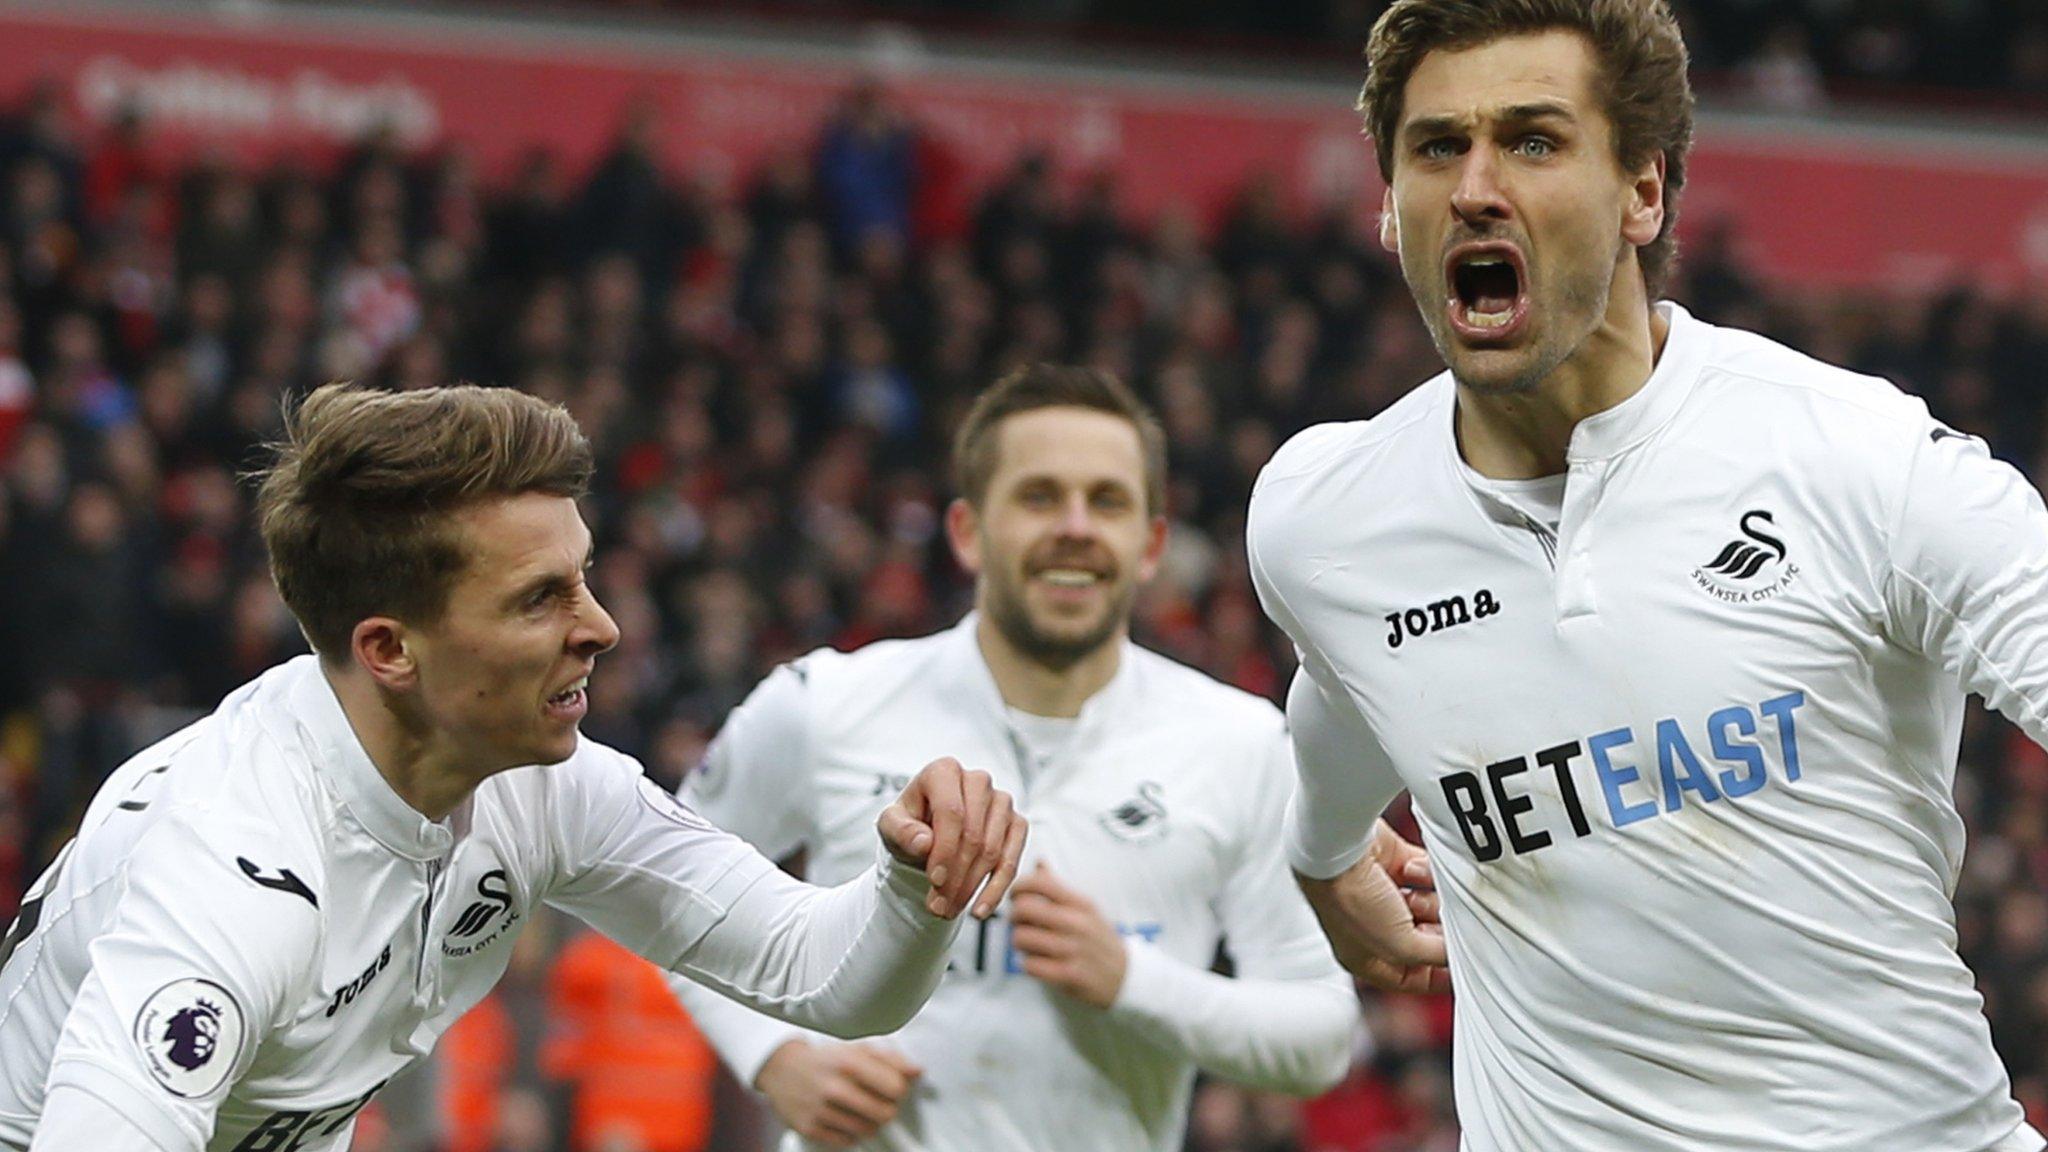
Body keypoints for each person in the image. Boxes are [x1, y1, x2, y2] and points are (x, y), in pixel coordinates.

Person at [1245, 1, 2048, 1149]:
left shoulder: (1855, 460)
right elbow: (1348, 686)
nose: (1475, 186)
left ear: (1642, 192)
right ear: (1387, 207)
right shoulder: (1319, 517)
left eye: (1531, 140)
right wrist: (1318, 855)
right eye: (1435, 147)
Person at [0, 383, 1027, 1152]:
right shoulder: (238, 869)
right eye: (540, 599)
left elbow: (816, 973)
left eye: (582, 579)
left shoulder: (543, 786)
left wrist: (910, 882)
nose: (603, 627)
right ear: (390, 651)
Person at [666, 363, 1367, 1151]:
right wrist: (776, 1057)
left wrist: (1133, 980)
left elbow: (1320, 1037)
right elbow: (668, 885)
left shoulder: (1242, 744)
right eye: (1039, 496)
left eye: (1107, 501)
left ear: (1151, 545)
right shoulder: (824, 703)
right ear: (967, 532)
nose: (1075, 526)